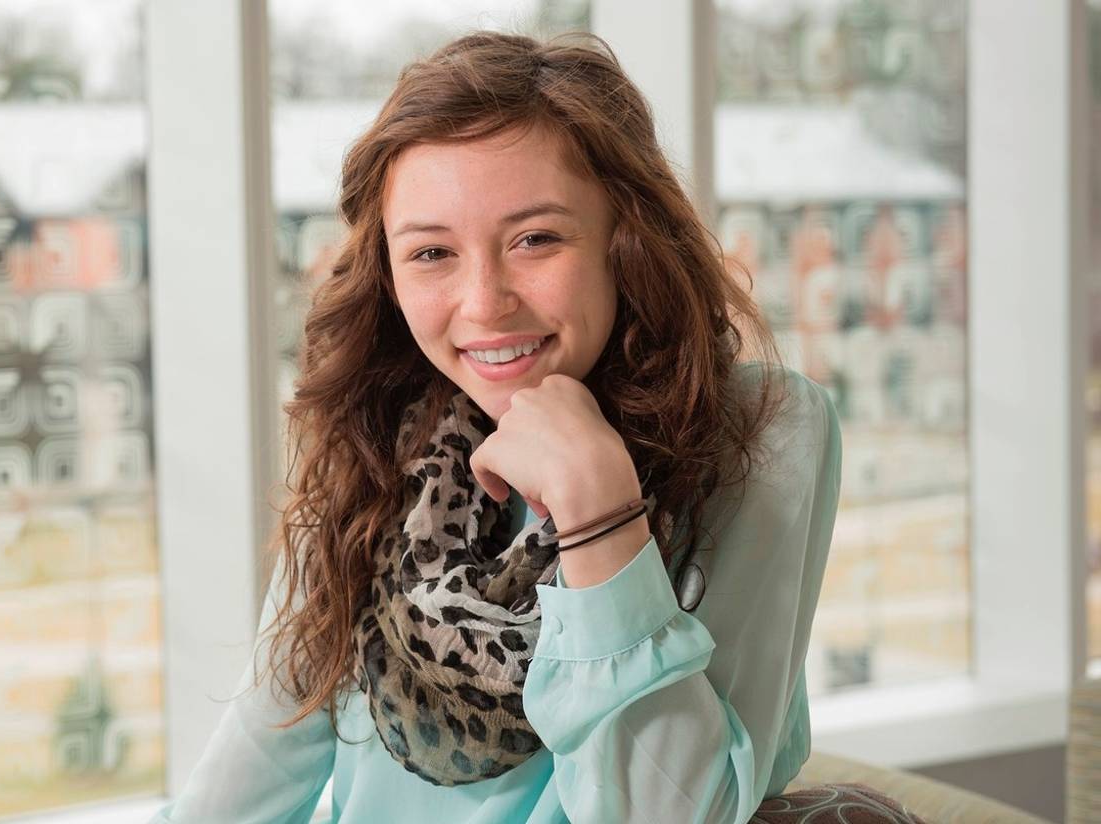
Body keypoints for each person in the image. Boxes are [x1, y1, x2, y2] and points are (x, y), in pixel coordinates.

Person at [154, 31, 848, 823]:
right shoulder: (376, 442)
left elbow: (675, 811)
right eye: (431, 253)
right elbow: (254, 764)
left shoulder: (764, 430)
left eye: (535, 240)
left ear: (628, 241)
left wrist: (599, 513)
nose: (483, 303)